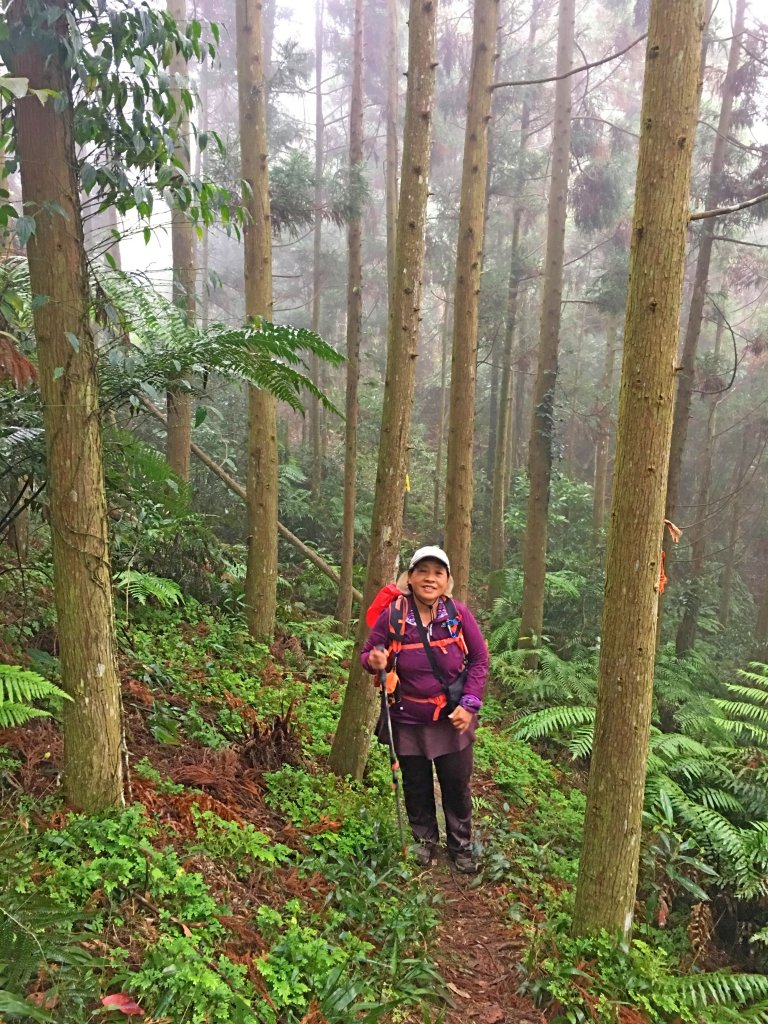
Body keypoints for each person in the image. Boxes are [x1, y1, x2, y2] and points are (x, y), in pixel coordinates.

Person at [361, 546, 489, 873]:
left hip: (451, 719)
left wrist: (470, 703)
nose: (430, 578)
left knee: (456, 784)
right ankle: (424, 841)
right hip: (407, 717)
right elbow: (369, 653)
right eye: (423, 571)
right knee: (416, 784)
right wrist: (375, 660)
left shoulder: (458, 615)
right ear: (411, 577)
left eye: (438, 573)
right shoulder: (394, 615)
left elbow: (479, 660)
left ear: (447, 581)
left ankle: (460, 847)